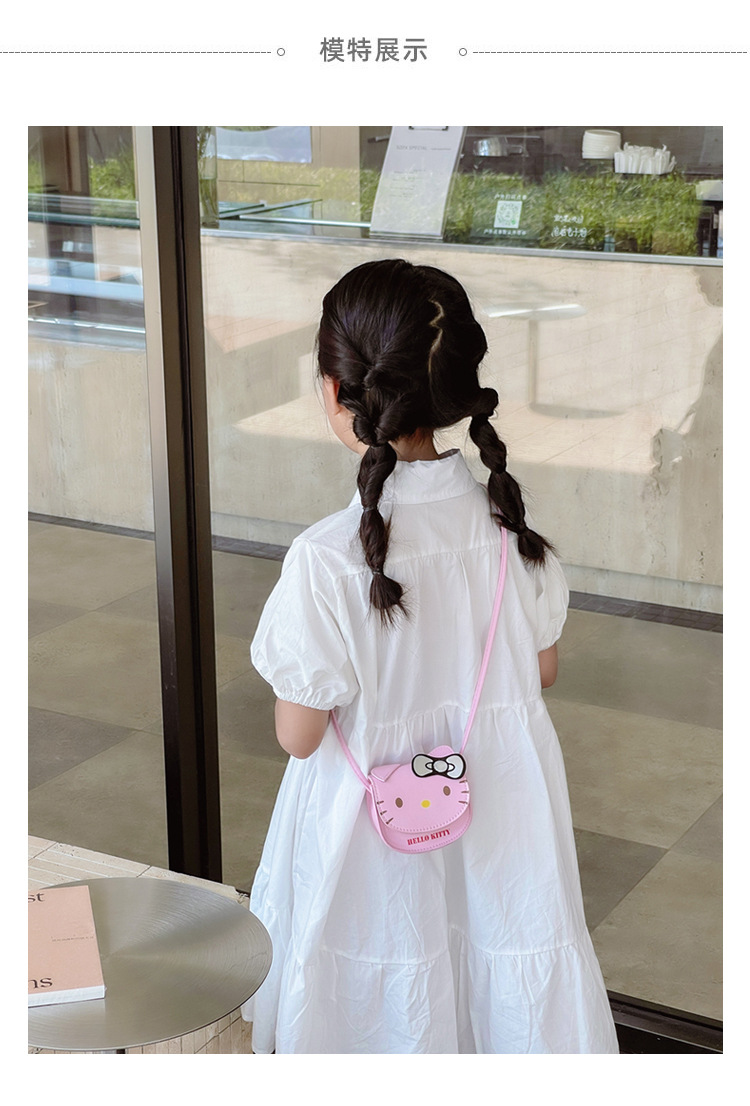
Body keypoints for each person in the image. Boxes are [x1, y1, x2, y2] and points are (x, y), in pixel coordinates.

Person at [241, 258, 619, 1054]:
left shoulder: (327, 557)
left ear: (336, 392)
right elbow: (541, 670)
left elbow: (299, 736)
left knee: (386, 990)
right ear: (452, 390)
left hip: (368, 833)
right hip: (503, 811)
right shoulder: (511, 531)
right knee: (500, 968)